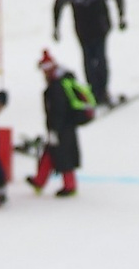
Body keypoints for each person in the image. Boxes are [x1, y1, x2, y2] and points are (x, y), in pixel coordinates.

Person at [52, 0, 127, 107]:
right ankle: (94, 93)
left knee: (100, 60)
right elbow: (58, 5)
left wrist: (121, 17)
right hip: (83, 32)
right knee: (88, 62)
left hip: (100, 29)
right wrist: (56, 28)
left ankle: (103, 92)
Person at [31, 50, 95, 196]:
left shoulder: (56, 86)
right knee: (50, 153)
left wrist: (54, 129)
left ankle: (70, 186)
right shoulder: (62, 81)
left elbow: (58, 110)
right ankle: (39, 181)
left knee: (63, 156)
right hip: (65, 126)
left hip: (62, 128)